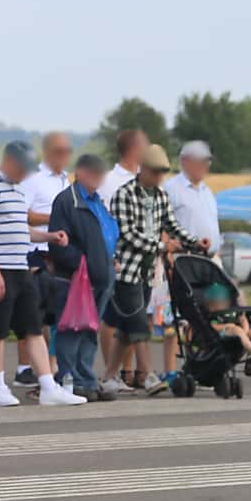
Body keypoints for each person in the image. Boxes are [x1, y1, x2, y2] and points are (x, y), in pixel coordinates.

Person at [0, 140, 83, 406]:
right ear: (10, 161)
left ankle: (48, 386)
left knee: (33, 327)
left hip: (21, 266)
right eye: (24, 168)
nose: (27, 174)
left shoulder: (19, 190)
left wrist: (49, 236)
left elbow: (21, 229)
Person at [109, 143, 206, 392]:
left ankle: (109, 377)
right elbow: (127, 233)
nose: (159, 177)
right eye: (155, 172)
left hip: (148, 272)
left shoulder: (161, 196)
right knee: (140, 323)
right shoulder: (124, 194)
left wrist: (193, 242)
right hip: (126, 271)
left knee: (125, 326)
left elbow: (173, 225)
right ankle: (149, 375)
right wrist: (162, 246)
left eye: (162, 173)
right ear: (143, 168)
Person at [46, 154, 115, 401]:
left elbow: (107, 232)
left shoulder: (97, 201)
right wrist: (81, 264)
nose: (99, 177)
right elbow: (58, 242)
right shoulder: (67, 201)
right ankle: (69, 380)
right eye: (94, 172)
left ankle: (86, 379)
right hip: (75, 279)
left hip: (101, 276)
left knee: (89, 331)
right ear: (81, 173)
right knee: (71, 329)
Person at [18, 131, 73, 385]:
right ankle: (24, 368)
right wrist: (54, 219)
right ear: (48, 152)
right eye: (60, 151)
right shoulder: (33, 178)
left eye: (67, 151)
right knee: (33, 313)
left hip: (59, 254)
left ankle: (51, 367)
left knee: (54, 314)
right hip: (34, 252)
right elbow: (23, 214)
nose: (65, 156)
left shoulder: (66, 180)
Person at [98, 129, 146, 393]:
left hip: (141, 260)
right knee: (112, 316)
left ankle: (125, 371)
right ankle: (110, 372)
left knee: (132, 314)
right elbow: (103, 218)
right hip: (117, 257)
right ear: (134, 147)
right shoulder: (109, 180)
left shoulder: (144, 179)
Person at [167, 141, 222, 259]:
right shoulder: (171, 189)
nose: (205, 165)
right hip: (184, 258)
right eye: (200, 161)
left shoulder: (207, 192)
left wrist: (217, 249)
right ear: (185, 161)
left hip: (210, 259)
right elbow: (162, 226)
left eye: (207, 161)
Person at [200, 280, 251, 358]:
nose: (220, 305)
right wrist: (228, 326)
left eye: (222, 302)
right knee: (236, 329)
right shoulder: (213, 315)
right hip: (222, 335)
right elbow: (213, 326)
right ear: (209, 304)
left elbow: (243, 320)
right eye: (216, 303)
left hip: (241, 333)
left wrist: (245, 331)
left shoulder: (233, 310)